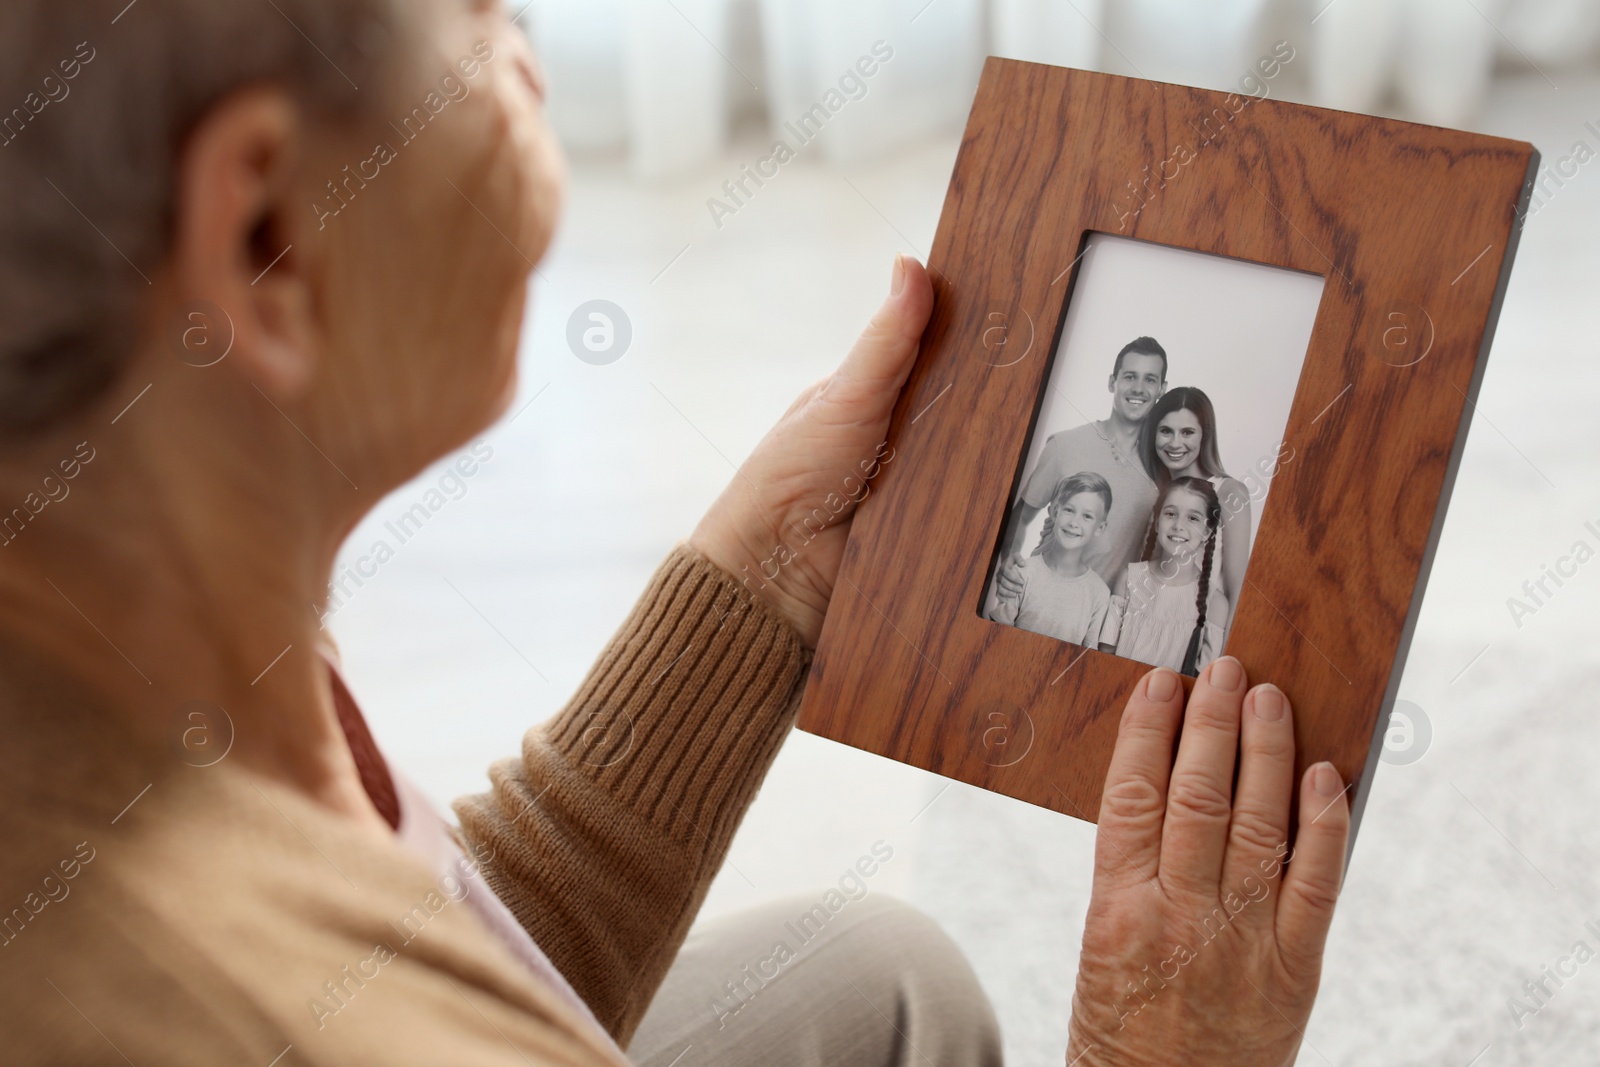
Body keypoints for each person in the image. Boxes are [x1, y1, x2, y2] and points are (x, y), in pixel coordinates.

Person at [0, 3, 1350, 1064]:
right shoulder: (200, 1005)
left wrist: (761, 577)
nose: (527, 63)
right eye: (478, 16)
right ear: (267, 245)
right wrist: (1163, 1046)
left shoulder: (107, 603)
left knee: (884, 978)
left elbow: (407, 939)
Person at [994, 337, 1167, 603]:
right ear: (1113, 382)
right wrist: (1008, 560)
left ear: (1162, 389)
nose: (1139, 388)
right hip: (1038, 600)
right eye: (1130, 377)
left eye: (1150, 380)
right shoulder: (1065, 445)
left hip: (1101, 615)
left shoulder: (1163, 467)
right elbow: (1021, 517)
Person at [1138, 387, 1252, 633]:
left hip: (1193, 635)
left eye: (1187, 432)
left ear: (1205, 436)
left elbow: (1237, 590)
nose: (1175, 443)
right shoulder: (1154, 491)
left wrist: (1217, 656)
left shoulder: (1230, 492)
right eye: (1166, 431)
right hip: (1145, 629)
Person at [1101, 478, 1230, 676]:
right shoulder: (1129, 578)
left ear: (1207, 532)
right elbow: (1104, 655)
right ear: (1157, 522)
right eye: (1170, 514)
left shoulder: (1215, 603)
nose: (1178, 525)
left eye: (1193, 518)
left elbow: (1202, 679)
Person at [986, 472, 1113, 645]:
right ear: (1054, 512)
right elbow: (995, 636)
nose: (1074, 522)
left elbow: (1086, 657)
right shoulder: (1024, 573)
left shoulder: (1099, 594)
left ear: (1100, 528)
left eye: (1087, 516)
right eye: (1069, 510)